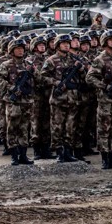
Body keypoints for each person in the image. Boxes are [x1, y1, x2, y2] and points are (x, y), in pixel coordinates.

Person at [40, 34, 87, 163]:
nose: (66, 45)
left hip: (73, 99)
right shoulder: (51, 60)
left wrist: (81, 68)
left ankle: (68, 151)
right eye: (63, 43)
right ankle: (59, 152)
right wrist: (56, 83)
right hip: (58, 99)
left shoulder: (74, 59)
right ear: (57, 45)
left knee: (70, 127)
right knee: (57, 127)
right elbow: (42, 77)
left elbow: (84, 77)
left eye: (68, 43)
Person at [86, 29, 112, 169]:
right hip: (105, 100)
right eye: (110, 40)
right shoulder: (99, 59)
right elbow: (89, 77)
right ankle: (105, 158)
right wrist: (105, 86)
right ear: (104, 42)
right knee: (104, 129)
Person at [0, 38, 35, 166]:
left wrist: (33, 71)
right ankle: (14, 155)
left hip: (27, 102)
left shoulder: (28, 64)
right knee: (12, 128)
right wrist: (11, 88)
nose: (20, 51)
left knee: (24, 128)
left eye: (22, 49)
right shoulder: (6, 65)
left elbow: (39, 79)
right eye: (17, 49)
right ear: (11, 51)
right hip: (13, 102)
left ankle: (23, 155)